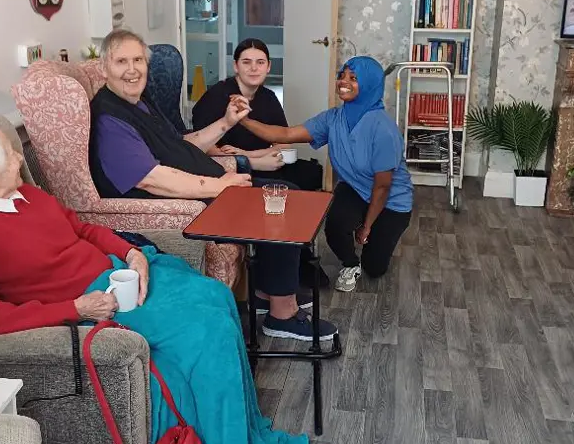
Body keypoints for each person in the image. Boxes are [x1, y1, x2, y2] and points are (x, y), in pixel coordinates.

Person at [0, 118, 309, 444]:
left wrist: (131, 253)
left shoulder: (26, 193)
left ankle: (243, 430)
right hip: (97, 300)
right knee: (207, 329)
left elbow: (82, 229)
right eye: (10, 154)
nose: (19, 157)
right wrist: (76, 308)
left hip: (117, 272)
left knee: (217, 295)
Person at [88, 28, 337, 341]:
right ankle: (282, 314)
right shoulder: (110, 117)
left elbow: (181, 146)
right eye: (122, 61)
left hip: (212, 186)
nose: (132, 69)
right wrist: (219, 186)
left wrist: (226, 123)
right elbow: (152, 179)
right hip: (192, 201)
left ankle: (268, 292)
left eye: (138, 60)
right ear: (104, 68)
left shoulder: (139, 102)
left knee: (288, 192)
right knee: (280, 206)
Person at [233, 56, 413, 293]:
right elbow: (285, 134)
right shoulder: (333, 119)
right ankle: (351, 263)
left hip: (391, 201)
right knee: (335, 226)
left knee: (375, 268)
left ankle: (373, 230)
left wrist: (367, 227)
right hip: (355, 188)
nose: (343, 82)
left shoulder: (383, 129)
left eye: (353, 78)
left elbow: (383, 186)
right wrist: (244, 120)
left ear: (370, 84)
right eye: (342, 75)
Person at [192, 38, 323, 192]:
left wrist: (248, 154)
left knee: (312, 174)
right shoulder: (217, 96)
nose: (254, 68)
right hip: (228, 169)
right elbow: (204, 148)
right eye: (246, 62)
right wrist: (248, 161)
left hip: (262, 160)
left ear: (268, 66)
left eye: (260, 62)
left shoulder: (268, 97)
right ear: (236, 66)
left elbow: (284, 143)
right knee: (290, 189)